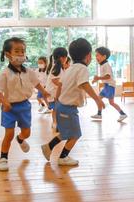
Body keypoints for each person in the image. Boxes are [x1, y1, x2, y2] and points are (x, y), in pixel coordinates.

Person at [41, 38, 105, 166]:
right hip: (68, 108)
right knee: (75, 134)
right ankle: (63, 157)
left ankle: (48, 147)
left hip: (62, 106)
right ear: (88, 56)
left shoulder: (70, 68)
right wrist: (97, 99)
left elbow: (63, 85)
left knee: (66, 133)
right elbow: (85, 84)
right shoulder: (82, 69)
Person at [0, 37, 49, 171]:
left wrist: (44, 92)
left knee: (27, 132)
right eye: (17, 51)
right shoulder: (4, 73)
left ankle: (20, 139)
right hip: (9, 107)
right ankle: (3, 157)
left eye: (22, 51)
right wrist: (4, 102)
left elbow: (36, 83)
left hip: (24, 105)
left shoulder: (29, 71)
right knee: (9, 134)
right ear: (7, 54)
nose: (20, 54)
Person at [91, 47, 128, 122]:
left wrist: (98, 78)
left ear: (104, 57)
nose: (96, 57)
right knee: (99, 99)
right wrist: (97, 79)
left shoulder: (106, 65)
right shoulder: (102, 65)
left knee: (111, 102)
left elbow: (108, 76)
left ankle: (122, 114)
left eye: (98, 55)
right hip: (106, 86)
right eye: (96, 55)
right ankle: (99, 114)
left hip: (110, 86)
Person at [45, 47, 68, 131]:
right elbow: (55, 81)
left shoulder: (60, 67)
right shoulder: (56, 67)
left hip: (57, 92)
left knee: (58, 109)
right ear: (62, 58)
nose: (66, 59)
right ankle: (55, 123)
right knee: (55, 109)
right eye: (66, 57)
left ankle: (58, 122)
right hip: (53, 92)